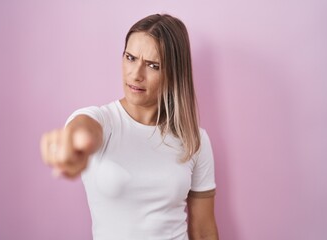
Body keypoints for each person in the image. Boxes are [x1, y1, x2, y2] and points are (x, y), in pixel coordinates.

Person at [40, 13, 219, 240]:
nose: (136, 74)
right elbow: (84, 131)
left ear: (174, 74)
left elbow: (203, 230)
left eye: (153, 65)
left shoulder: (195, 140)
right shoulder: (102, 120)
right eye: (130, 57)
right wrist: (74, 145)